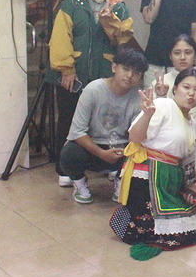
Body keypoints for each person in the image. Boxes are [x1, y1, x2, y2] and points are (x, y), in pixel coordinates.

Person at [48, 0, 134, 186]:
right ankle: (66, 169)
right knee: (69, 119)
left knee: (105, 120)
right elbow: (60, 38)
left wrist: (109, 22)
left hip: (105, 73)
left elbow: (123, 40)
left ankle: (107, 165)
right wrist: (66, 69)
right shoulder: (71, 3)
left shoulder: (118, 6)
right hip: (74, 75)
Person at [111, 68, 196, 257]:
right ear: (175, 89)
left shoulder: (193, 123)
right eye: (186, 87)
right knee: (175, 234)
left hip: (170, 178)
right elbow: (134, 138)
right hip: (147, 177)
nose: (191, 93)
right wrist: (147, 115)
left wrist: (189, 188)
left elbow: (190, 159)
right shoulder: (163, 105)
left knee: (191, 229)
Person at [59, 47, 147, 204]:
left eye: (136, 73)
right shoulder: (93, 90)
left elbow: (137, 135)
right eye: (125, 69)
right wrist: (102, 153)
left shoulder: (139, 95)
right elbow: (77, 132)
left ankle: (122, 180)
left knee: (144, 150)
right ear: (114, 67)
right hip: (93, 147)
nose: (129, 76)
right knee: (69, 154)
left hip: (122, 147)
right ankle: (80, 184)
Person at [151, 35, 196, 204]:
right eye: (177, 53)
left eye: (188, 52)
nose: (183, 57)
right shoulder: (161, 82)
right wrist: (160, 96)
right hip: (166, 152)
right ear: (170, 56)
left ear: (195, 55)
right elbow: (151, 124)